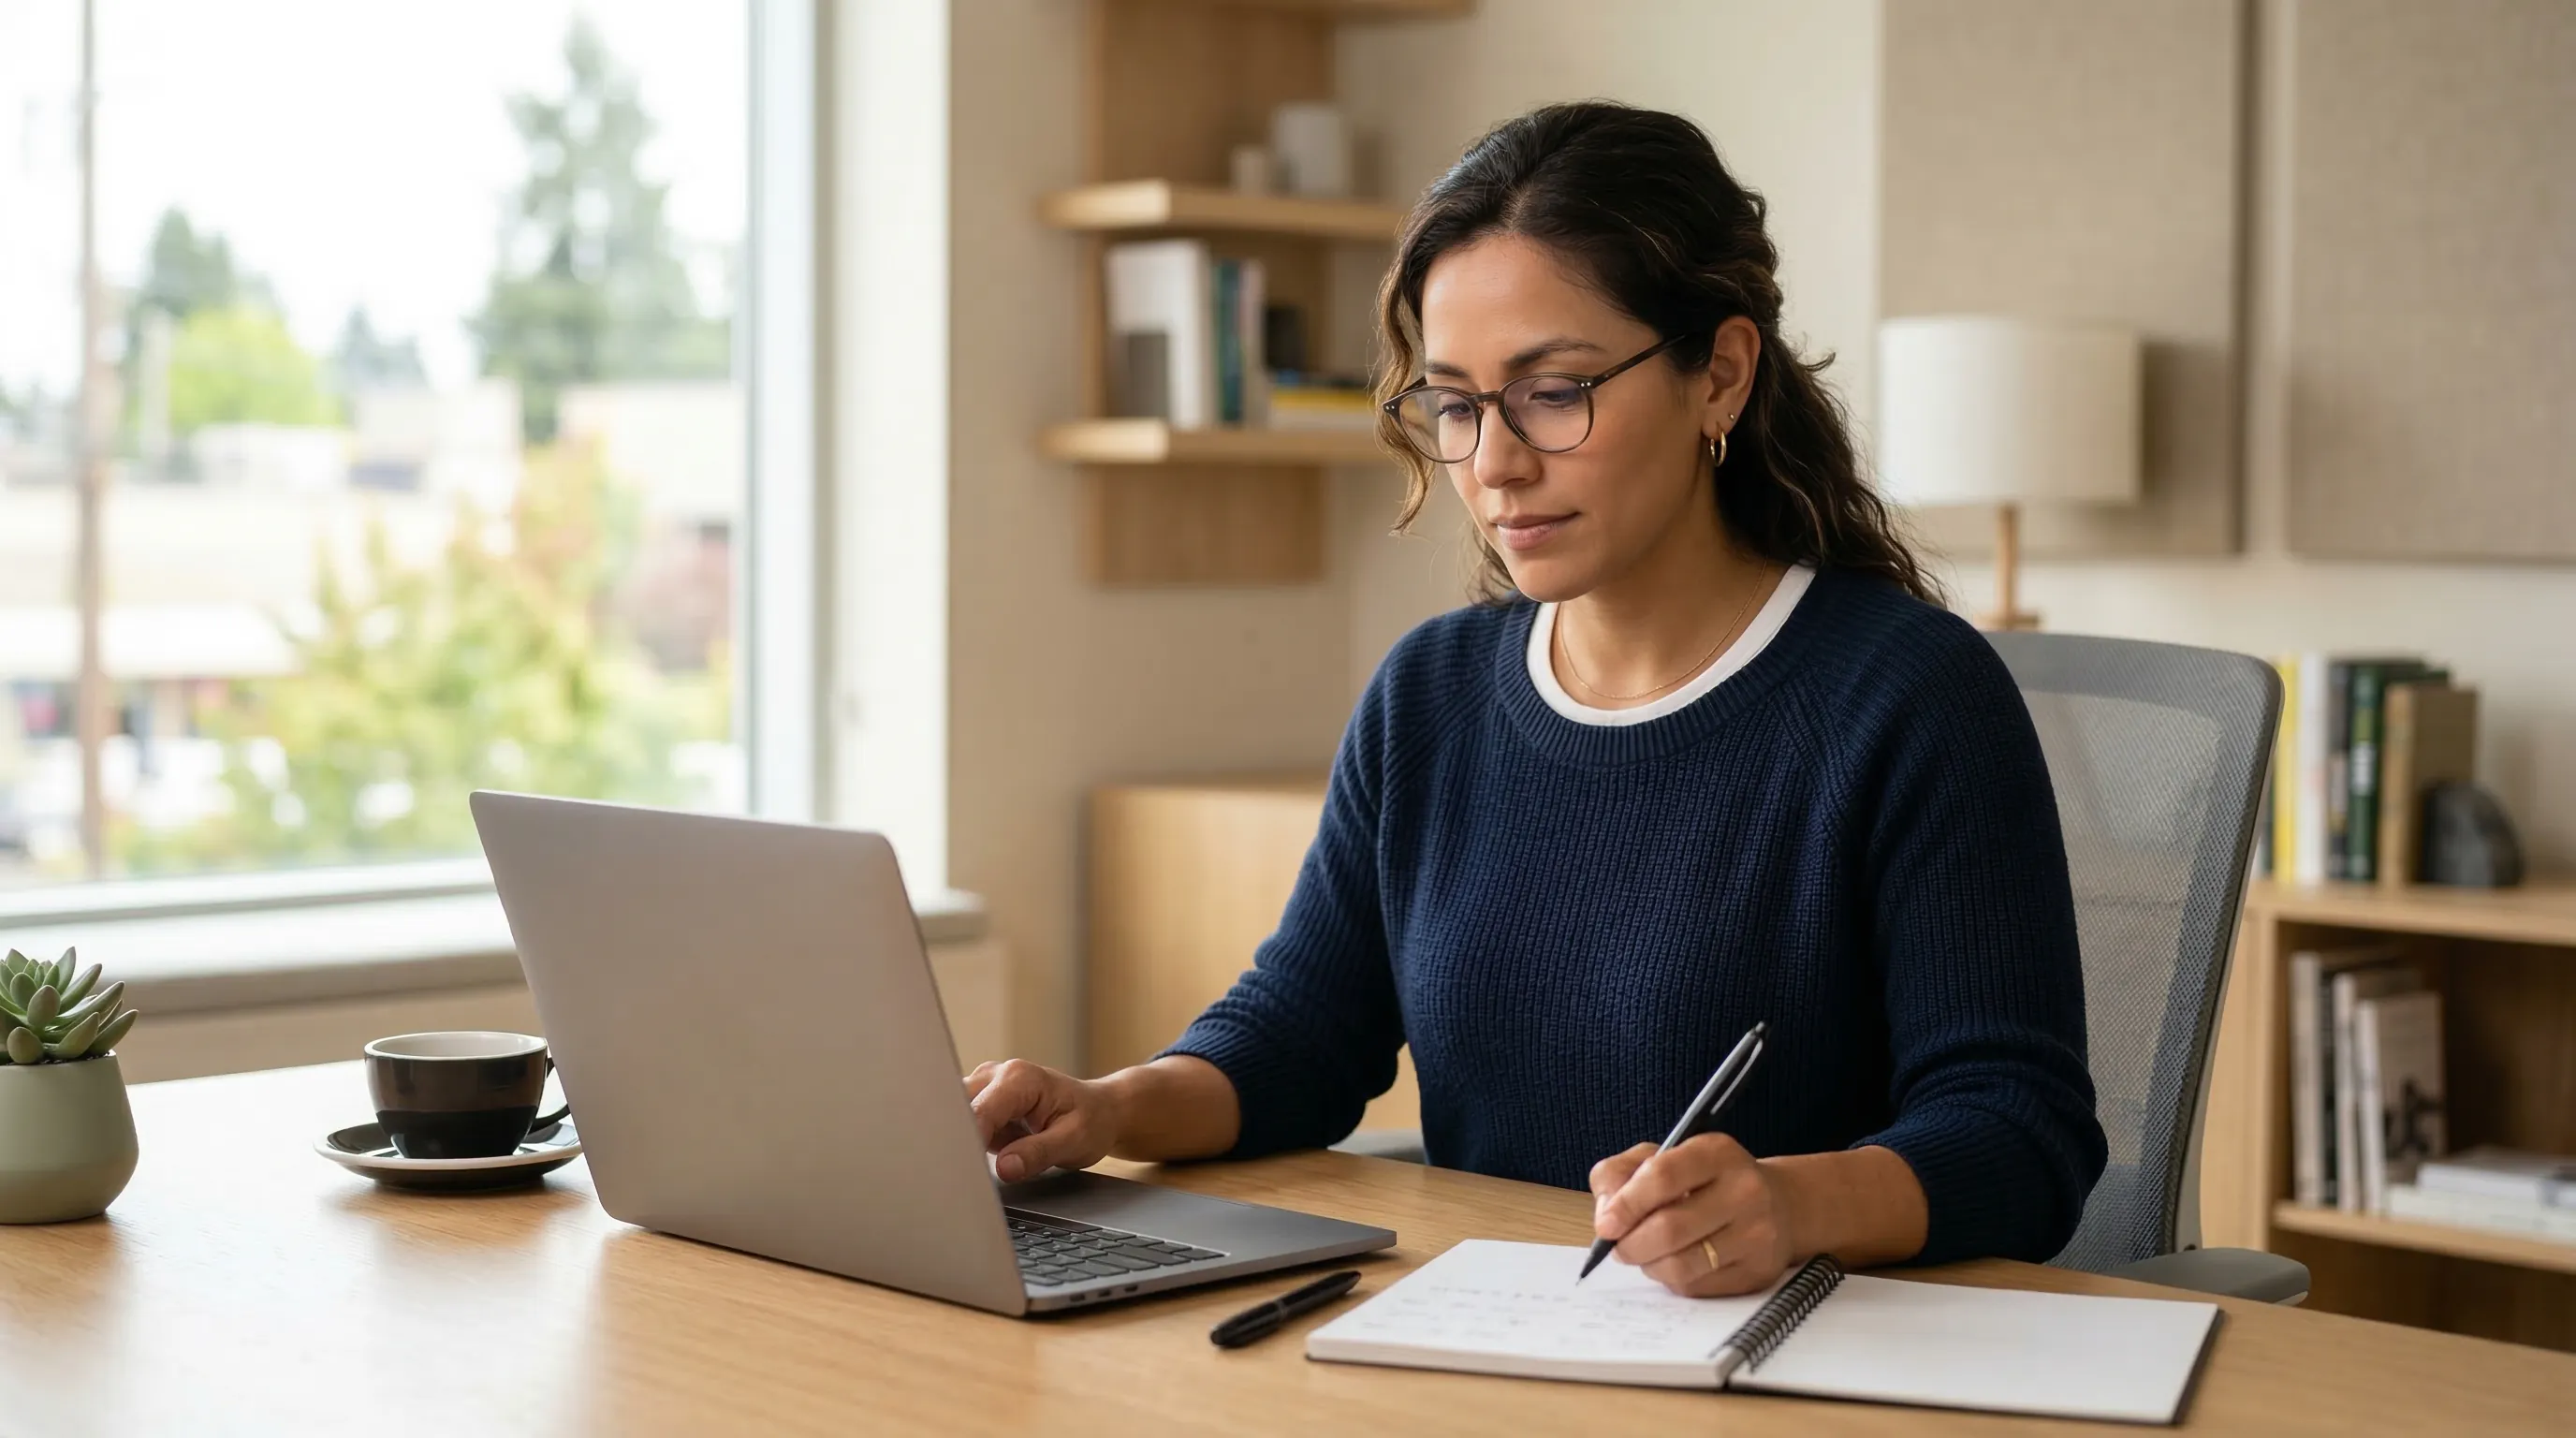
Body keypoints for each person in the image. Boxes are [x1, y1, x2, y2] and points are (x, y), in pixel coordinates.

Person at [967, 101, 2105, 1297]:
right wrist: (1102, 1108)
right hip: (1491, 1341)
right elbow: (1301, 1038)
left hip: (1793, 1348)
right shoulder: (1434, 694)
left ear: (1717, 376)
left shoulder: (1907, 695)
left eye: (1552, 392)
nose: (1494, 462)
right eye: (1454, 405)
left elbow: (2019, 1132)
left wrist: (1789, 1202)